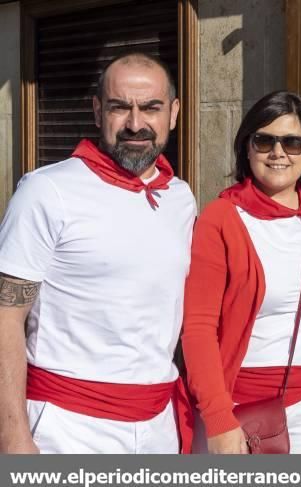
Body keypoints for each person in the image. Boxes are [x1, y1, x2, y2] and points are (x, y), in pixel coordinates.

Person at [0, 52, 196, 454]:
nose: (136, 124)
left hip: (159, 427)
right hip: (67, 428)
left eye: (151, 108)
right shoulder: (45, 191)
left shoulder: (181, 197)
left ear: (174, 113)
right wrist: (13, 437)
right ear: (96, 110)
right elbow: (5, 316)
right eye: (120, 107)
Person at [181, 91, 301, 454]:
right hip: (240, 409)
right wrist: (219, 418)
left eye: (292, 142)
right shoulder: (221, 218)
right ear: (246, 148)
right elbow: (197, 329)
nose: (278, 153)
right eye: (264, 140)